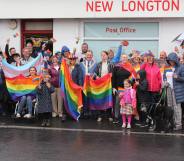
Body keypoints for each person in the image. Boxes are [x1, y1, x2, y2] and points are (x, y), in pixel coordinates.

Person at [112, 54, 136, 124]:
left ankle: (125, 120)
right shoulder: (116, 67)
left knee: (127, 104)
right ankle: (116, 117)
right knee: (117, 104)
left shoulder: (130, 67)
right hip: (119, 89)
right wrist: (113, 87)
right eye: (123, 57)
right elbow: (113, 78)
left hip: (128, 90)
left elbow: (133, 77)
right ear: (121, 58)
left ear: (127, 59)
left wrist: (131, 87)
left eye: (125, 57)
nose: (124, 58)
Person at [164, 52, 184, 130]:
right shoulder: (167, 68)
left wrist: (178, 77)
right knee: (170, 107)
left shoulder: (181, 67)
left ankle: (178, 124)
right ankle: (172, 123)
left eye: (172, 61)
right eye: (169, 61)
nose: (170, 62)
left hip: (177, 90)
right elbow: (164, 77)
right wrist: (165, 81)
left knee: (177, 107)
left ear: (175, 60)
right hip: (169, 89)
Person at [94, 51, 114, 122]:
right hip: (101, 85)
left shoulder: (111, 64)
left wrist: (111, 76)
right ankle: (100, 115)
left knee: (108, 99)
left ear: (107, 56)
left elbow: (113, 74)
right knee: (101, 99)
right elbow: (95, 73)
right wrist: (96, 77)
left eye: (104, 55)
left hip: (108, 85)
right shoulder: (98, 64)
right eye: (102, 55)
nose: (103, 57)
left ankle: (109, 115)